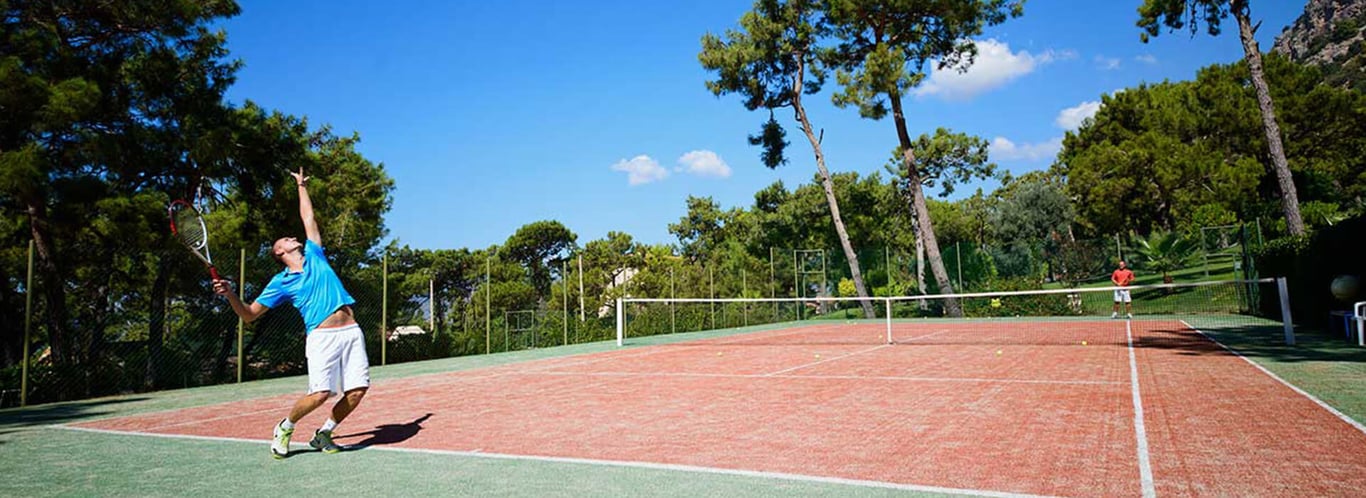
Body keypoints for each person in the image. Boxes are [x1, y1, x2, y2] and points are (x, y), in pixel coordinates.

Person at [213, 167, 369, 459]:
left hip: (351, 331)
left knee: (358, 390)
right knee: (321, 394)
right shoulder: (280, 283)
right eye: (283, 240)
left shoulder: (315, 254)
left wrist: (301, 186)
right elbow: (249, 315)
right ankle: (286, 425)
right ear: (279, 253)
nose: (290, 237)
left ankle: (324, 434)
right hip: (322, 337)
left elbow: (308, 218)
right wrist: (231, 294)